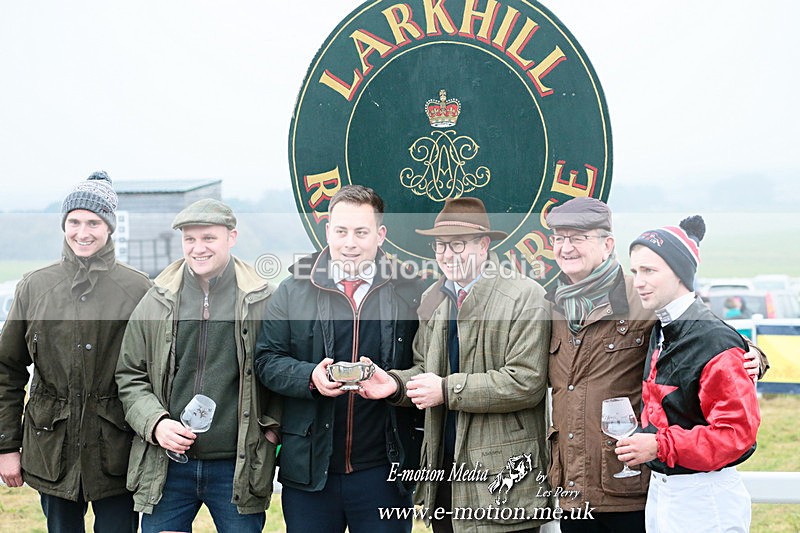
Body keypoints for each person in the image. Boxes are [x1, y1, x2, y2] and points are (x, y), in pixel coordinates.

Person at [543, 197, 766, 533]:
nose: (566, 247)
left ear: (607, 245)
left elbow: (706, 332)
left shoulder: (643, 294)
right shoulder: (551, 306)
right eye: (559, 238)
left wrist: (754, 355)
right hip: (573, 489)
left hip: (629, 486)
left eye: (578, 237)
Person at [363, 197, 552, 533]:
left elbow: (527, 382)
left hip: (503, 480)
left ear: (483, 245)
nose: (447, 255)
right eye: (440, 245)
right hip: (445, 474)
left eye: (457, 245)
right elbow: (425, 370)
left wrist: (447, 391)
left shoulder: (525, 296)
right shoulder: (434, 298)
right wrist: (395, 384)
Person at [254, 184, 425, 533]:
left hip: (385, 471)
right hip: (311, 472)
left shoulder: (410, 291)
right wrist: (309, 378)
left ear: (380, 235)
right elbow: (266, 360)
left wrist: (393, 384)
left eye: (361, 232)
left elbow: (427, 367)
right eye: (342, 231)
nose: (350, 242)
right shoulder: (292, 289)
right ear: (328, 230)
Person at [115, 199, 279, 533]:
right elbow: (130, 376)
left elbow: (279, 367)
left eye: (208, 238)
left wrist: (272, 429)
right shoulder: (157, 299)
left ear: (231, 237)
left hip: (236, 465)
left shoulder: (263, 299)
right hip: (167, 464)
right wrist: (156, 423)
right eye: (190, 239)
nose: (198, 248)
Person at [0, 171, 151, 532]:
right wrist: (7, 446)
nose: (83, 232)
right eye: (74, 221)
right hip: (52, 445)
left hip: (116, 447)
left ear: (109, 227)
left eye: (93, 222)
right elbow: (7, 369)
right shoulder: (35, 286)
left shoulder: (138, 288)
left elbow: (155, 371)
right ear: (64, 224)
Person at [620, 216, 760, 533]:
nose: (638, 281)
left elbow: (736, 436)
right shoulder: (661, 326)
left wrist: (659, 446)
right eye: (635, 271)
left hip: (705, 496)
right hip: (662, 490)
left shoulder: (714, 340)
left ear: (681, 274)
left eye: (649, 271)